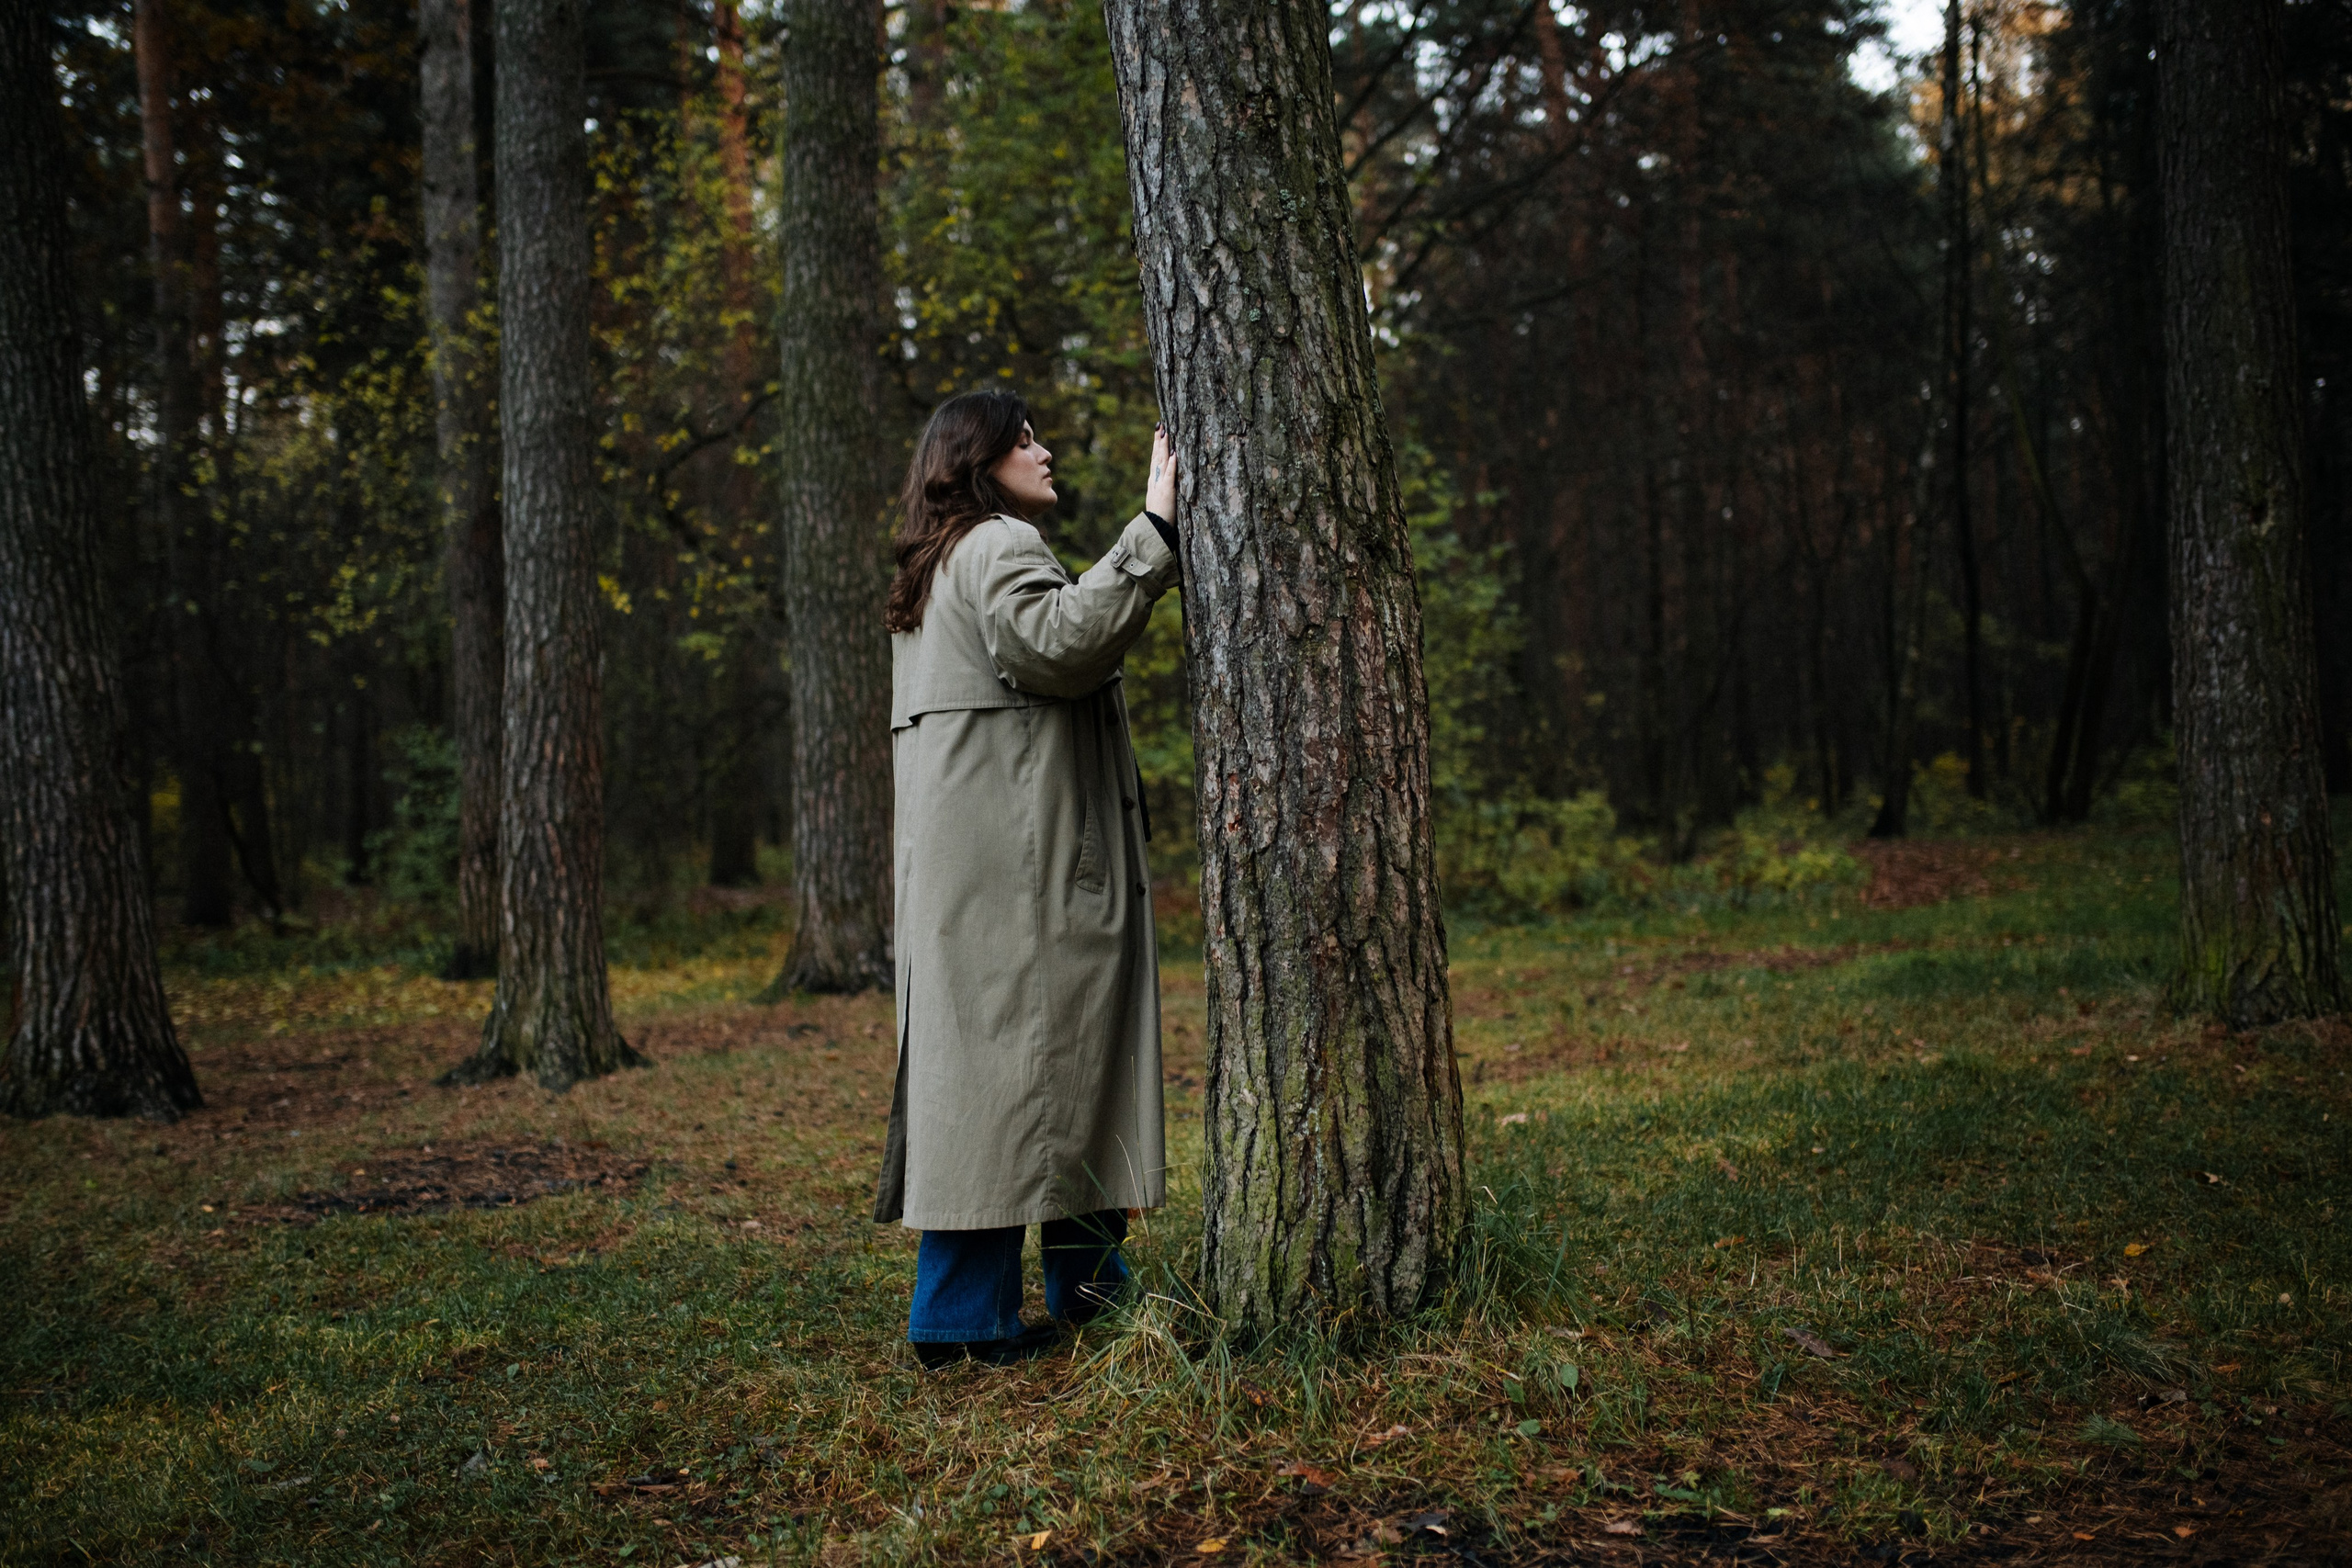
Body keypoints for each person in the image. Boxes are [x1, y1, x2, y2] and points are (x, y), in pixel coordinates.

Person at [873, 387, 1182, 1369]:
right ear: (980, 460)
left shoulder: (933, 566)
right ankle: (971, 1321)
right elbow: (1059, 645)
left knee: (1015, 1080)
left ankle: (1081, 1291)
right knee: (1033, 1078)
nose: (1042, 453)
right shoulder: (998, 544)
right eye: (1023, 439)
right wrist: (1154, 531)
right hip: (1025, 874)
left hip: (977, 880)